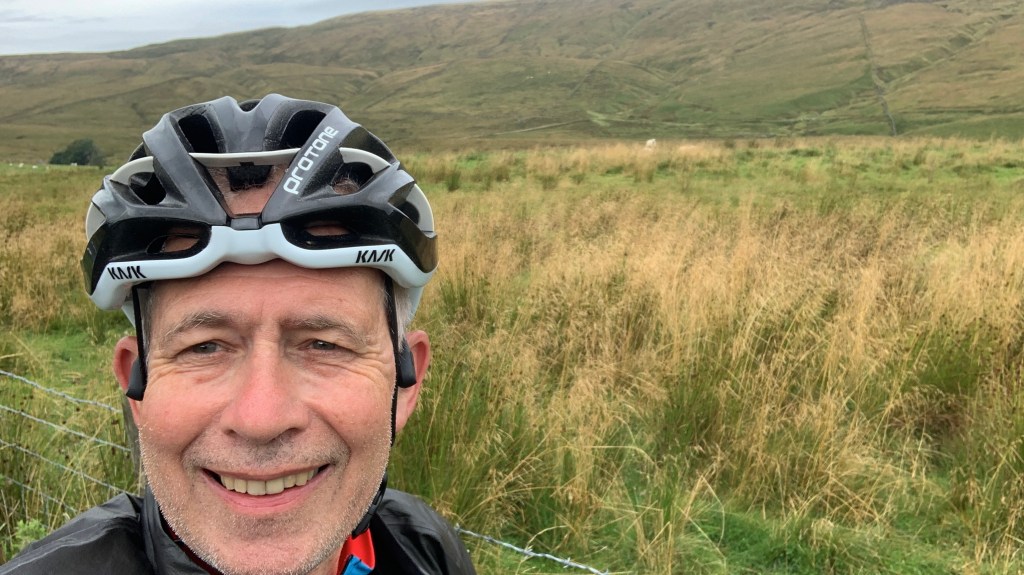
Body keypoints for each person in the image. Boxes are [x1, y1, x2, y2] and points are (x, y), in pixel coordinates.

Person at [2, 94, 476, 575]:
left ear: (406, 381)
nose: (260, 419)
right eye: (204, 347)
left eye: (324, 345)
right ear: (136, 389)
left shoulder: (428, 550)